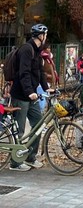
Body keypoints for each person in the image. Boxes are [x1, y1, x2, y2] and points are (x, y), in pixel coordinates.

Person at [10, 24, 50, 171]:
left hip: (31, 95)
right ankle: (15, 162)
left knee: (38, 125)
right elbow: (24, 73)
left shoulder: (37, 51)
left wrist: (46, 88)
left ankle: (30, 157)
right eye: (45, 34)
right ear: (40, 36)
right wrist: (29, 92)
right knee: (19, 129)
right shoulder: (27, 49)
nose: (46, 37)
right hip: (21, 95)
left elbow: (40, 71)